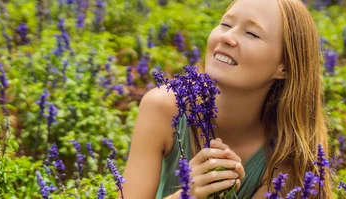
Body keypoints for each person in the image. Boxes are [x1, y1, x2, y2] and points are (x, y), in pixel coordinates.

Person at [123, 0, 331, 198]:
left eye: (251, 33)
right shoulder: (163, 108)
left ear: (283, 67)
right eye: (225, 24)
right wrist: (187, 194)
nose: (227, 37)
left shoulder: (285, 156)